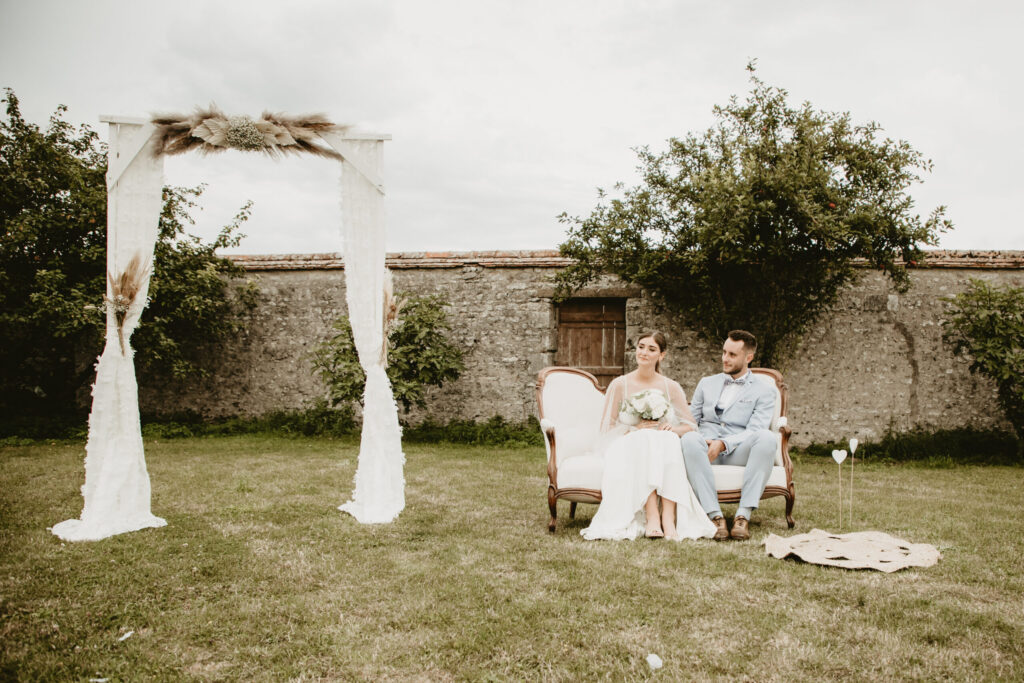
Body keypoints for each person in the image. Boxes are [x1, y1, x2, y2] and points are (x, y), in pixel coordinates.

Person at [581, 332, 716, 542]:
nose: (644, 352)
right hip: (627, 443)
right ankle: (652, 515)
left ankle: (669, 517)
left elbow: (690, 426)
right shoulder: (620, 384)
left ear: (662, 355)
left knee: (667, 439)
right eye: (641, 347)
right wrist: (634, 428)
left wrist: (672, 428)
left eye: (651, 349)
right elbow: (607, 428)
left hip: (661, 443)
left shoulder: (671, 387)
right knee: (644, 437)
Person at [680, 330, 778, 541]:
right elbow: (690, 420)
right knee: (689, 439)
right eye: (724, 352)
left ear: (748, 357)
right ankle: (714, 516)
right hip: (705, 449)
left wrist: (723, 443)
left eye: (732, 354)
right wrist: (700, 437)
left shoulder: (765, 390)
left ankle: (743, 516)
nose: (725, 358)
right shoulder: (706, 383)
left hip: (738, 451)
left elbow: (755, 429)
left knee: (767, 438)